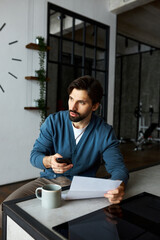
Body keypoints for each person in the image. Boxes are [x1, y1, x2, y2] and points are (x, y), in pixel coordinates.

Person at [0, 75, 129, 228]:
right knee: (5, 209)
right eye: (71, 99)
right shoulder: (54, 122)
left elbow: (118, 168)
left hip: (83, 189)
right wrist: (49, 161)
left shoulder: (104, 132)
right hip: (49, 181)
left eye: (81, 102)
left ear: (94, 106)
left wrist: (119, 186)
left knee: (65, 227)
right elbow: (35, 156)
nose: (72, 107)